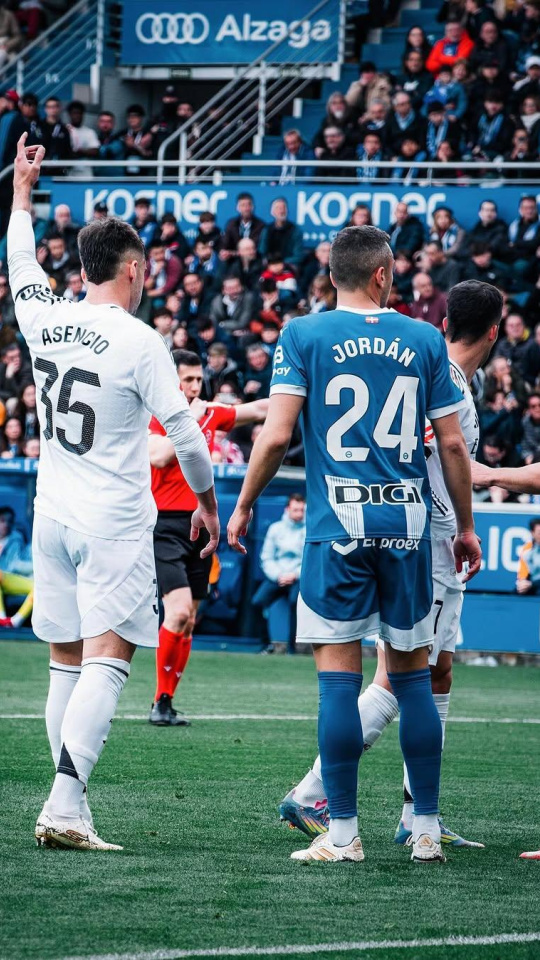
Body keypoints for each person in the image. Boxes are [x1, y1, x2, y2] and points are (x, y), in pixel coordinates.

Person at [227, 225, 481, 864]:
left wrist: (244, 503)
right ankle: (425, 830)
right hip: (409, 528)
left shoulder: (302, 335)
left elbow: (277, 433)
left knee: (338, 684)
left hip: (335, 528)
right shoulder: (425, 338)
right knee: (414, 680)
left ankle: (342, 835)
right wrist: (469, 527)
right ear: (382, 275)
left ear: (333, 276)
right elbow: (451, 445)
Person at [8, 133, 218, 851]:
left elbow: (21, 263)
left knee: (66, 660)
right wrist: (211, 507)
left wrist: (21, 196)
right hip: (114, 521)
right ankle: (65, 806)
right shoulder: (138, 341)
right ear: (133, 269)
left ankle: (72, 803)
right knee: (110, 656)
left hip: (52, 514)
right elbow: (188, 436)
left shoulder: (45, 316)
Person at [280, 280, 501, 851]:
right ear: (496, 332)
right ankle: (321, 793)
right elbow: (441, 457)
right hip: (419, 540)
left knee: (433, 671)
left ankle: (415, 815)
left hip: (416, 538)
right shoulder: (437, 374)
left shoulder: (435, 367)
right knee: (405, 676)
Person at [148, 349, 268, 724]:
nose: (195, 386)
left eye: (199, 380)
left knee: (190, 618)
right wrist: (192, 418)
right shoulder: (157, 415)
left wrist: (301, 387)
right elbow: (159, 457)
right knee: (179, 610)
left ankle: (164, 701)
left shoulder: (210, 412)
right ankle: (158, 702)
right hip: (164, 525)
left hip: (201, 526)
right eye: (188, 380)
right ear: (173, 382)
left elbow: (261, 410)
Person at [253, 494, 306, 654]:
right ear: (287, 509)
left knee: (294, 603)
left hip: (298, 577)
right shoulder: (275, 528)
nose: (299, 513)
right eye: (295, 510)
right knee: (257, 602)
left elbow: (310, 560)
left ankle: (292, 648)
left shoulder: (310, 529)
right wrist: (279, 576)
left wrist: (295, 575)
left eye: (302, 510)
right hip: (277, 576)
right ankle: (266, 645)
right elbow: (266, 557)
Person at [0, 504, 33, 629]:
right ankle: (2, 618)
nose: (6, 525)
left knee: (39, 587)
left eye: (9, 521)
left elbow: (14, 565)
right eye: (2, 521)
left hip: (10, 579)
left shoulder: (15, 539)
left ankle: (14, 621)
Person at [259, 199, 303, 267]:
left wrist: (281, 263)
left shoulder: (295, 230)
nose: (281, 211)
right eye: (278, 208)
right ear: (272, 212)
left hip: (288, 266)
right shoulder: (267, 230)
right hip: (270, 266)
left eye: (283, 208)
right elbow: (262, 252)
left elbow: (298, 255)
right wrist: (271, 263)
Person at [220, 193, 265, 259]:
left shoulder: (260, 225)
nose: (246, 208)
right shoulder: (231, 224)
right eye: (243, 205)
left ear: (253, 207)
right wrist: (224, 252)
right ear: (238, 208)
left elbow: (256, 248)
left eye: (249, 205)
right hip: (233, 260)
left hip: (254, 259)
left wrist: (235, 253)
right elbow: (225, 244)